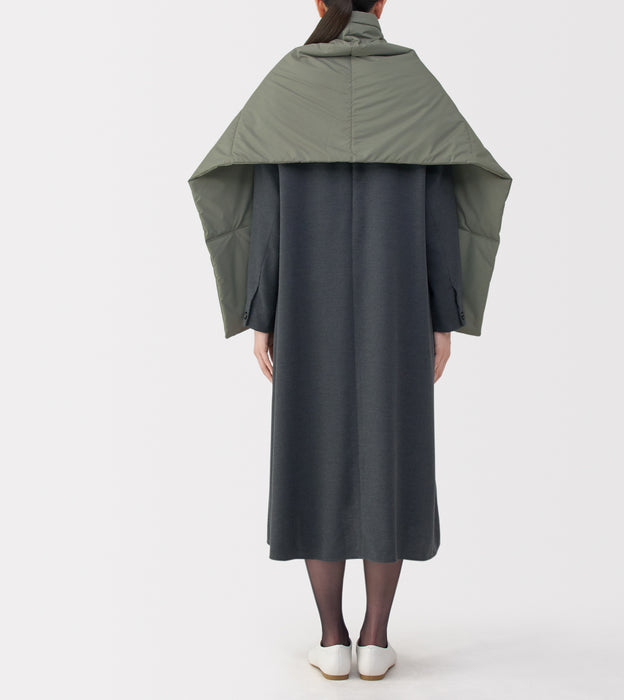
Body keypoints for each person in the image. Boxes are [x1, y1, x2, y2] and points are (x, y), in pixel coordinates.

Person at [187, 0, 512, 682]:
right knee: (390, 451)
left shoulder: (289, 83)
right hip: (400, 305)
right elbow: (442, 205)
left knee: (315, 448)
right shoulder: (413, 84)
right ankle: (375, 638)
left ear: (317, 2)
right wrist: (442, 316)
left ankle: (332, 638)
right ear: (382, 3)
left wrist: (262, 313)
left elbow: (266, 206)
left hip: (307, 305)